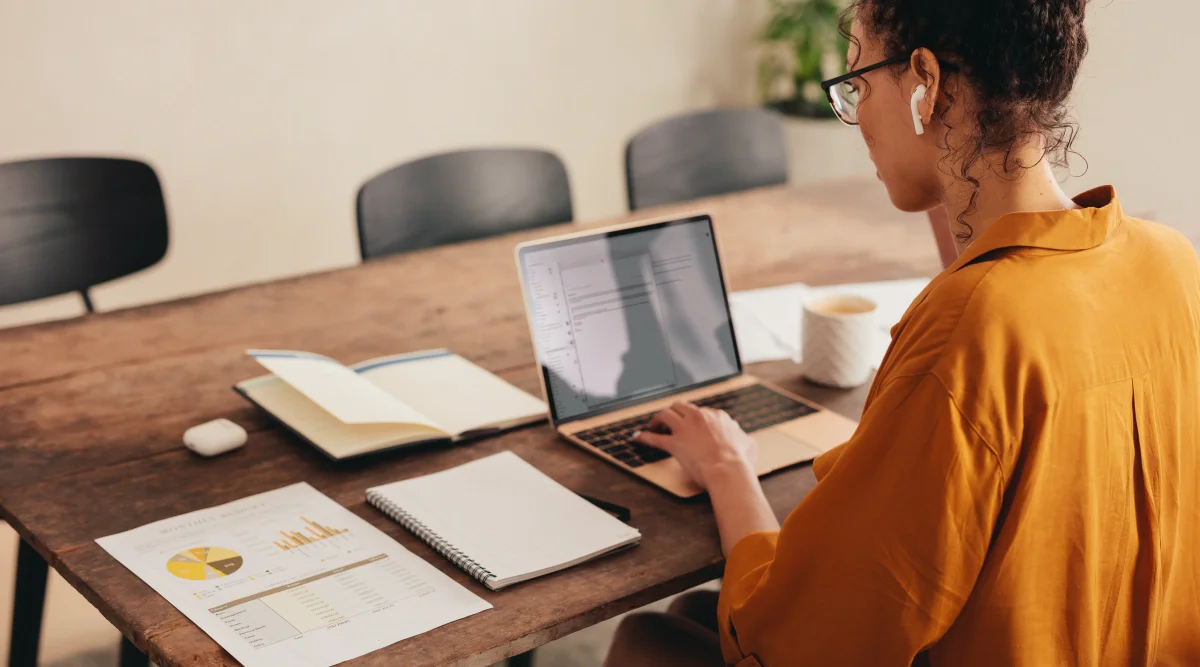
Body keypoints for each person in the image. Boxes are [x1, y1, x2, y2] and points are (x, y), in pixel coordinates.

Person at [604, 1, 1200, 665]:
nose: (856, 115)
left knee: (648, 638)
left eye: (857, 80)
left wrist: (725, 466)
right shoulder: (1169, 260)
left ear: (925, 80)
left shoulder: (970, 326)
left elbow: (800, 641)